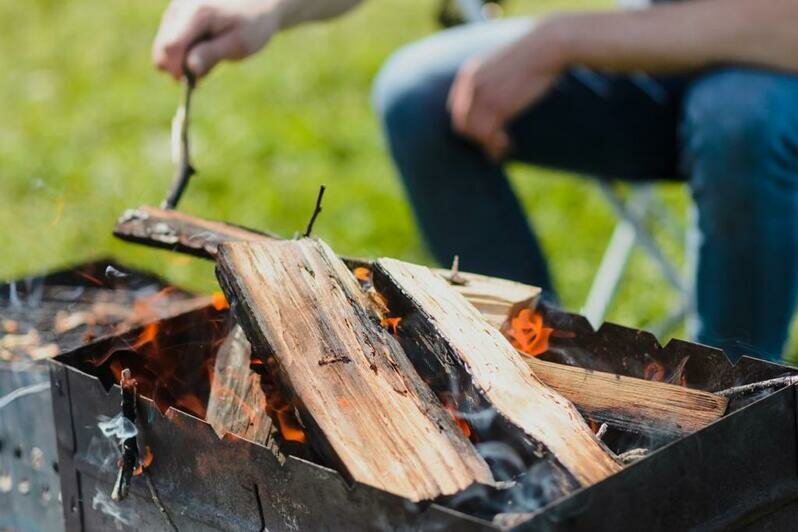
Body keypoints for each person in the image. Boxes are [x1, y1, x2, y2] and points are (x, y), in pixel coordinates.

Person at [152, 0, 798, 362]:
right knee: (418, 95)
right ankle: (532, 371)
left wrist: (562, 40)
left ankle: (738, 405)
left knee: (738, 119)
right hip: (665, 49)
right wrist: (266, 8)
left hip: (773, 73)